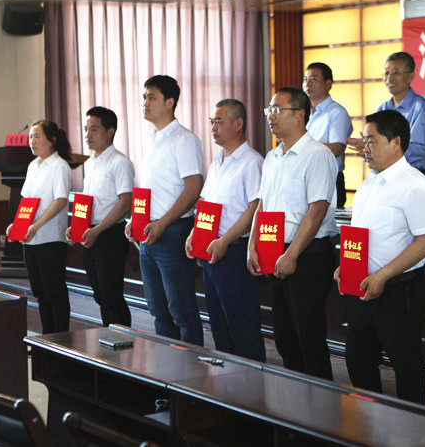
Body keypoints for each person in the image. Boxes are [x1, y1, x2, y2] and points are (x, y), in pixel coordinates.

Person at [335, 110, 425, 404]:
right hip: (362, 287)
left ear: (396, 142)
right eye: (364, 140)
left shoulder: (415, 185)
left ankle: (412, 423)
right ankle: (372, 419)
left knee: (406, 364)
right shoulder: (368, 184)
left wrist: (383, 275)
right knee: (358, 359)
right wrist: (346, 266)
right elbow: (361, 236)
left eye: (372, 140)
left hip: (398, 289)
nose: (365, 147)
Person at [247, 87, 338, 380]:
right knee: (285, 338)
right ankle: (294, 398)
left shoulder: (317, 155)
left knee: (308, 337)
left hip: (307, 254)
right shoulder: (272, 156)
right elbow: (262, 204)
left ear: (300, 115)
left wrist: (292, 254)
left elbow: (317, 210)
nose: (270, 116)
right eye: (269, 110)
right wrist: (252, 245)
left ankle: (321, 401)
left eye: (277, 109)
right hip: (274, 250)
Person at [125, 75, 205, 345]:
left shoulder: (184, 140)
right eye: (144, 97)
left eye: (152, 97)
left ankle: (190, 366)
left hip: (172, 231)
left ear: (170, 103)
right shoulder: (152, 138)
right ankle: (167, 364)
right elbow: (153, 188)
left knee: (181, 310)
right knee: (158, 309)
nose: (145, 103)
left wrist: (162, 223)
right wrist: (136, 220)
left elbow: (193, 187)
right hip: (149, 231)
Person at [185, 99, 266, 362]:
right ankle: (227, 381)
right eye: (211, 122)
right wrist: (194, 234)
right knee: (219, 325)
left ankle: (250, 383)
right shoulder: (218, 161)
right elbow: (205, 203)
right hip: (212, 250)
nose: (213, 127)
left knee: (242, 326)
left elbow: (255, 207)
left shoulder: (252, 162)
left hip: (234, 251)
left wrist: (225, 241)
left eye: (218, 121)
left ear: (238, 124)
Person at [66, 106, 134, 327]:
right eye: (86, 129)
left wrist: (98, 230)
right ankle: (108, 336)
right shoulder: (90, 163)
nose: (88, 135)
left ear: (110, 131)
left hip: (110, 234)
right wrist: (77, 227)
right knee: (100, 295)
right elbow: (88, 201)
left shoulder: (120, 162)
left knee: (112, 295)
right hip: (90, 233)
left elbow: (125, 202)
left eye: (94, 129)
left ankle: (122, 340)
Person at [7, 119, 72, 334]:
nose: (32, 141)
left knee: (54, 292)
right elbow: (27, 201)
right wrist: (17, 225)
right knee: (40, 292)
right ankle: (47, 337)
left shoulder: (59, 166)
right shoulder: (33, 165)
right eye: (30, 137)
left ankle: (60, 338)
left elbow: (60, 201)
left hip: (50, 238)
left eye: (36, 136)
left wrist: (36, 226)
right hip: (30, 238)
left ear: (51, 140)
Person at [347, 52, 425, 175]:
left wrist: (382, 148)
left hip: (411, 175)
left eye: (396, 72)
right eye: (387, 73)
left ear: (410, 76)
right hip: (384, 174)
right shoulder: (383, 108)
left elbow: (419, 151)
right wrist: (368, 146)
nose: (389, 78)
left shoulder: (421, 108)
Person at [303, 62, 353, 208]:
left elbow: (337, 148)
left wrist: (301, 146)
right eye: (305, 79)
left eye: (313, 79)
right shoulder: (303, 113)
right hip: (306, 178)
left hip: (329, 179)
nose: (307, 83)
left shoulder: (337, 112)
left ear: (328, 84)